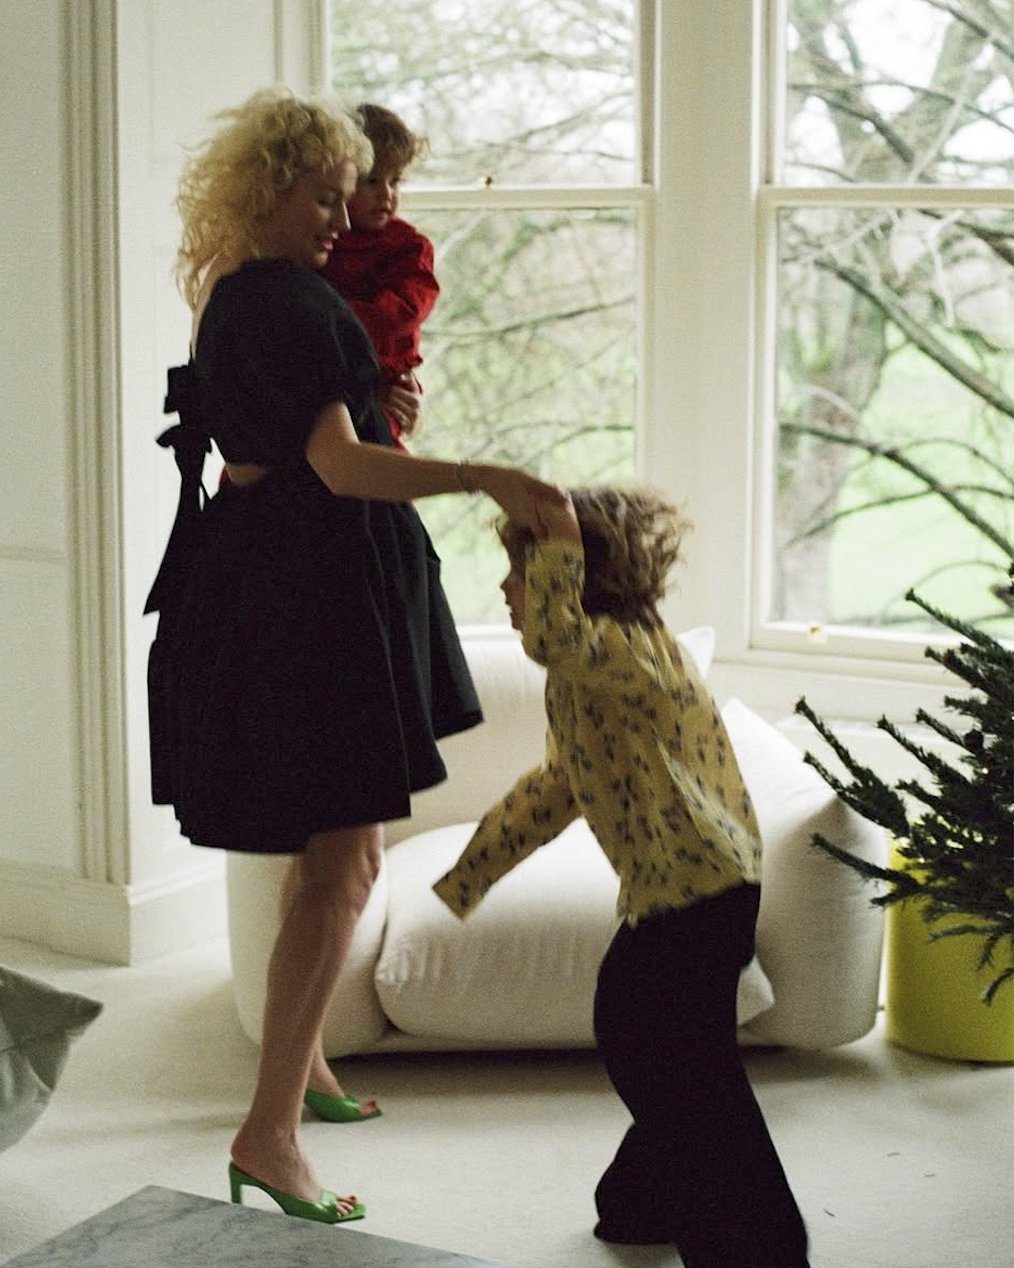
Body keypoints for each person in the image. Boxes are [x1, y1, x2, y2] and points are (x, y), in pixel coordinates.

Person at [143, 86, 564, 1226]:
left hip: (272, 589)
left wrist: (376, 417)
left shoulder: (234, 291)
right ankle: (269, 1133)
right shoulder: (306, 307)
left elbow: (279, 448)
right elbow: (338, 464)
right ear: (269, 189)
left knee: (335, 851)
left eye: (349, 193)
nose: (344, 216)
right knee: (346, 865)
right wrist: (484, 474)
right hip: (318, 604)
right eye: (323, 195)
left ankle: (306, 1070)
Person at [433, 488, 811, 1268]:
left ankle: (761, 1246)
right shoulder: (589, 674)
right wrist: (470, 875)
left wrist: (558, 531)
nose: (509, 590)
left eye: (522, 569)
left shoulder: (623, 649)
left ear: (573, 575)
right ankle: (643, 1201)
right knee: (671, 1049)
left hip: (701, 885)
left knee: (662, 1049)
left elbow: (552, 634)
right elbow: (556, 788)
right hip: (690, 887)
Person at [321, 103, 437, 450]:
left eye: (395, 181)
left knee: (374, 454)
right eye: (372, 181)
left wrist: (330, 326)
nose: (387, 194)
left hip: (382, 376)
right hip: (330, 377)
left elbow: (400, 313)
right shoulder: (323, 239)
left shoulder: (408, 247)